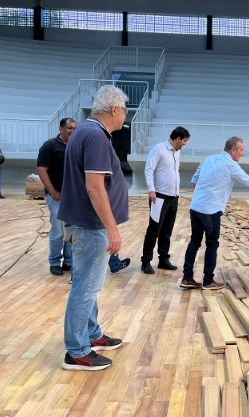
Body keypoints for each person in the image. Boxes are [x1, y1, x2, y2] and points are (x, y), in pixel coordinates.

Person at [58, 85, 129, 371]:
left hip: (81, 221)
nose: (125, 115)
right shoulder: (96, 137)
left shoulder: (85, 132)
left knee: (85, 284)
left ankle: (91, 334)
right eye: (124, 110)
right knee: (85, 288)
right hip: (90, 225)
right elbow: (94, 186)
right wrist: (112, 229)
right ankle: (76, 351)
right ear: (114, 109)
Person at [181, 136, 249, 290]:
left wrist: (204, 195)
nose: (243, 153)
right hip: (211, 211)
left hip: (196, 207)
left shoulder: (208, 159)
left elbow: (195, 180)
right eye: (241, 150)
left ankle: (187, 278)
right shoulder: (231, 165)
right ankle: (208, 281)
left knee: (194, 241)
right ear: (233, 150)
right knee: (212, 244)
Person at [140, 126, 190, 275]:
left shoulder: (177, 153)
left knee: (167, 230)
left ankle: (163, 259)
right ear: (178, 139)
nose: (185, 144)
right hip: (159, 197)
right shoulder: (159, 149)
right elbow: (149, 169)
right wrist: (151, 190)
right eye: (185, 141)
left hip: (173, 197)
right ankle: (146, 261)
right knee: (154, 230)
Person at [37, 118, 77, 276]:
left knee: (72, 230)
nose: (72, 131)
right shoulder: (50, 146)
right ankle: (54, 261)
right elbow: (41, 170)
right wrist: (52, 192)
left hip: (73, 197)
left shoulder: (76, 145)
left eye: (75, 128)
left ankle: (69, 261)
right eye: (69, 128)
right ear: (61, 129)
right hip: (57, 196)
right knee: (59, 231)